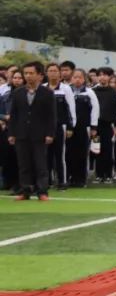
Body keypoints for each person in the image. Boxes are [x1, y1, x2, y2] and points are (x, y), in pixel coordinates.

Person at [7, 62, 56, 201]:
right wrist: (11, 133)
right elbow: (14, 115)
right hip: (21, 133)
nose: (28, 76)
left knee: (40, 164)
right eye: (26, 73)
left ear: (40, 75)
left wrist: (50, 133)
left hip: (39, 134)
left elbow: (51, 116)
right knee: (24, 164)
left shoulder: (47, 93)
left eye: (31, 73)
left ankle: (42, 192)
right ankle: (25, 190)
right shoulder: (18, 92)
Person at [66, 68, 99, 188]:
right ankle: (69, 177)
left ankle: (80, 179)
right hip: (69, 127)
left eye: (80, 77)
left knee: (81, 153)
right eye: (75, 77)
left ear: (84, 79)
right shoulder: (66, 90)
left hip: (83, 126)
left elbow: (95, 110)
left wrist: (93, 127)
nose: (77, 79)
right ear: (71, 78)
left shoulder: (89, 92)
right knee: (68, 153)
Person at [93, 67, 116, 183]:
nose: (102, 77)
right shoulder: (93, 91)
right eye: (100, 75)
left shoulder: (113, 92)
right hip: (96, 126)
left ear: (109, 77)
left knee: (108, 150)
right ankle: (99, 175)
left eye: (105, 75)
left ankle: (108, 174)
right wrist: (92, 126)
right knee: (96, 149)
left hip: (108, 125)